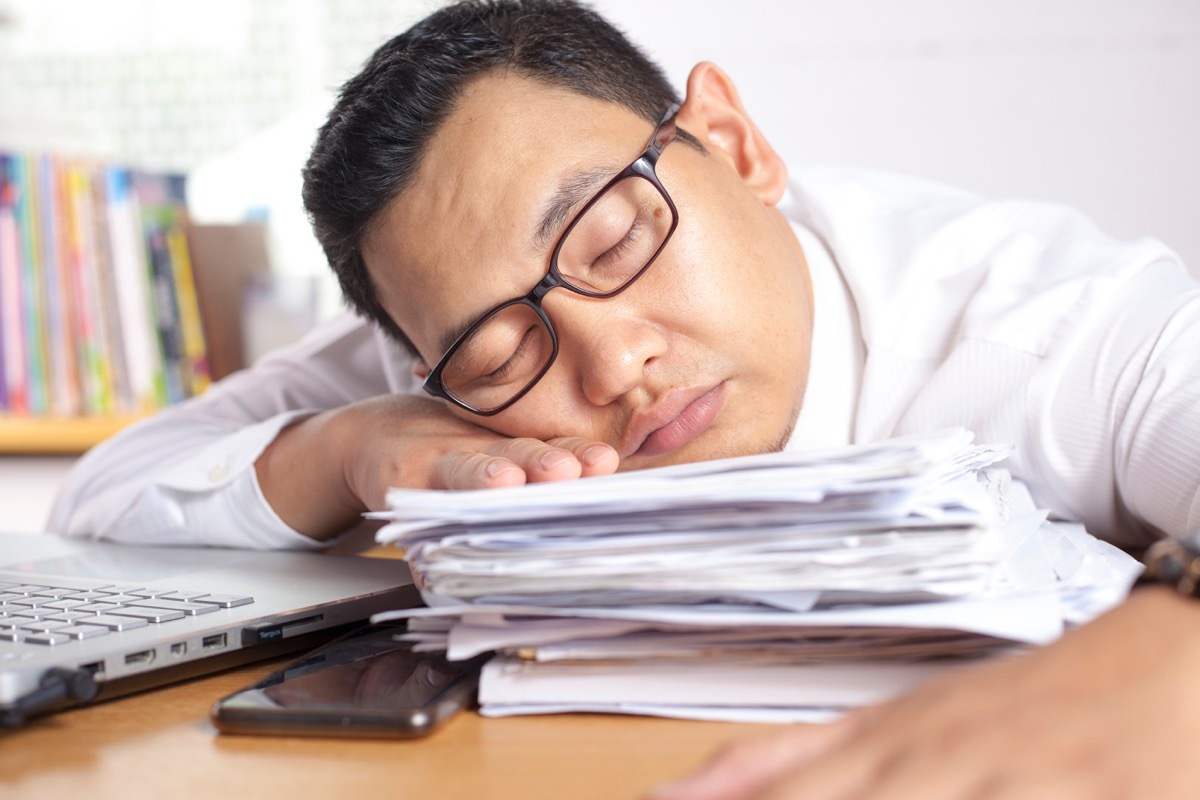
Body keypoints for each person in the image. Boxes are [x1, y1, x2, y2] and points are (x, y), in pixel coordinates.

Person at [49, 1, 1200, 796]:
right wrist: (352, 446)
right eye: (506, 352)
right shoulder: (436, 373)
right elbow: (99, 497)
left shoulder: (1047, 316)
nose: (607, 364)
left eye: (613, 236)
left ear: (733, 143)